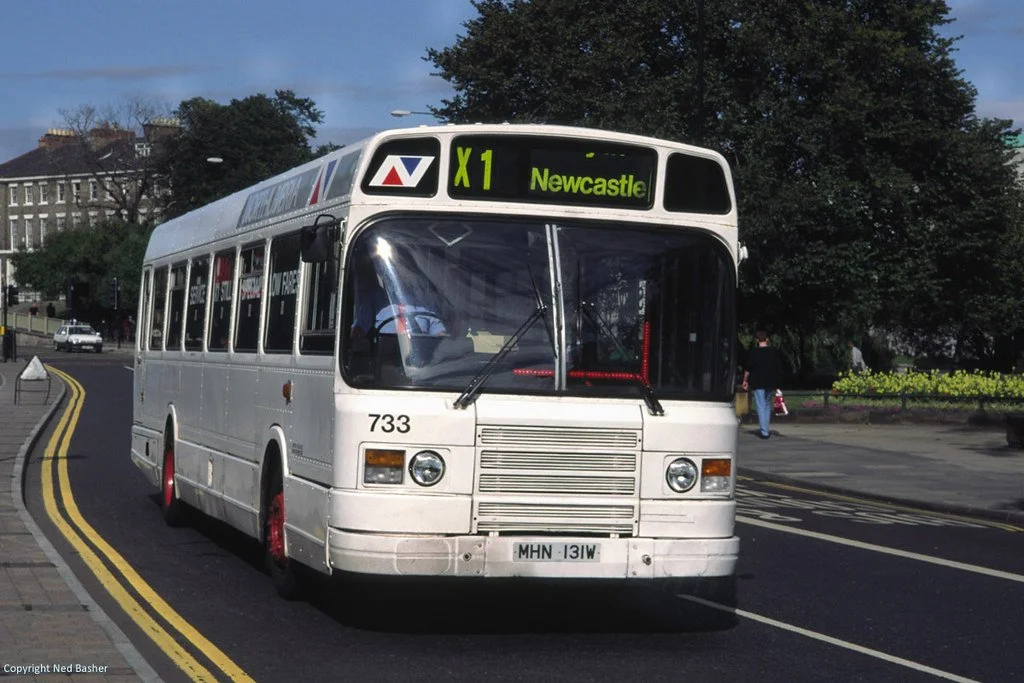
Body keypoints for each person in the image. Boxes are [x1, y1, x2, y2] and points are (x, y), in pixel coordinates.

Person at [741, 330, 785, 439]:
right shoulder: (773, 352)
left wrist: (744, 380)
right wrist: (778, 383)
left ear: (757, 340)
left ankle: (764, 431)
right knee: (766, 405)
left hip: (758, 382)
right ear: (767, 339)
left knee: (760, 406)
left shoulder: (754, 352)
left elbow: (748, 368)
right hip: (770, 382)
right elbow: (778, 368)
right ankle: (766, 428)